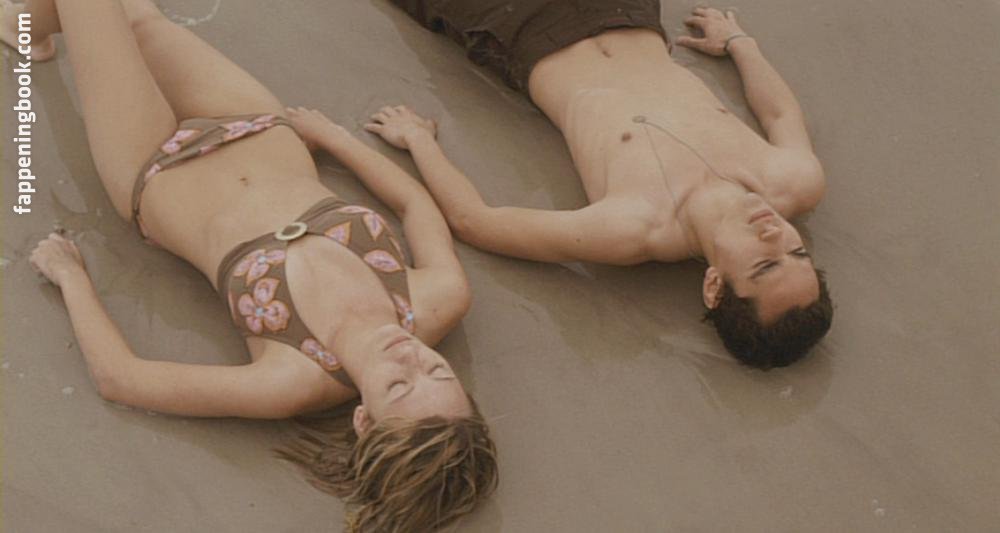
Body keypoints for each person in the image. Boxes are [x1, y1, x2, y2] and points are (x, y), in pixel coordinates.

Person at [7, 0, 497, 530]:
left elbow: (122, 379)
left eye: (398, 386)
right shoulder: (439, 298)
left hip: (150, 164)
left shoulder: (293, 378)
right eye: (437, 370)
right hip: (251, 120)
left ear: (364, 418)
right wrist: (335, 138)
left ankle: (24, 24)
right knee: (138, 16)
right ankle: (24, 26)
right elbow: (415, 206)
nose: (409, 358)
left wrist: (71, 277)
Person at [373, 1, 833, 369]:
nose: (775, 234)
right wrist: (740, 44)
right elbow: (780, 114)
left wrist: (419, 140)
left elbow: (476, 221)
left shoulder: (635, 227)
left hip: (524, 30)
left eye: (764, 264)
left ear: (714, 286)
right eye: (797, 253)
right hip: (627, 13)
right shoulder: (792, 181)